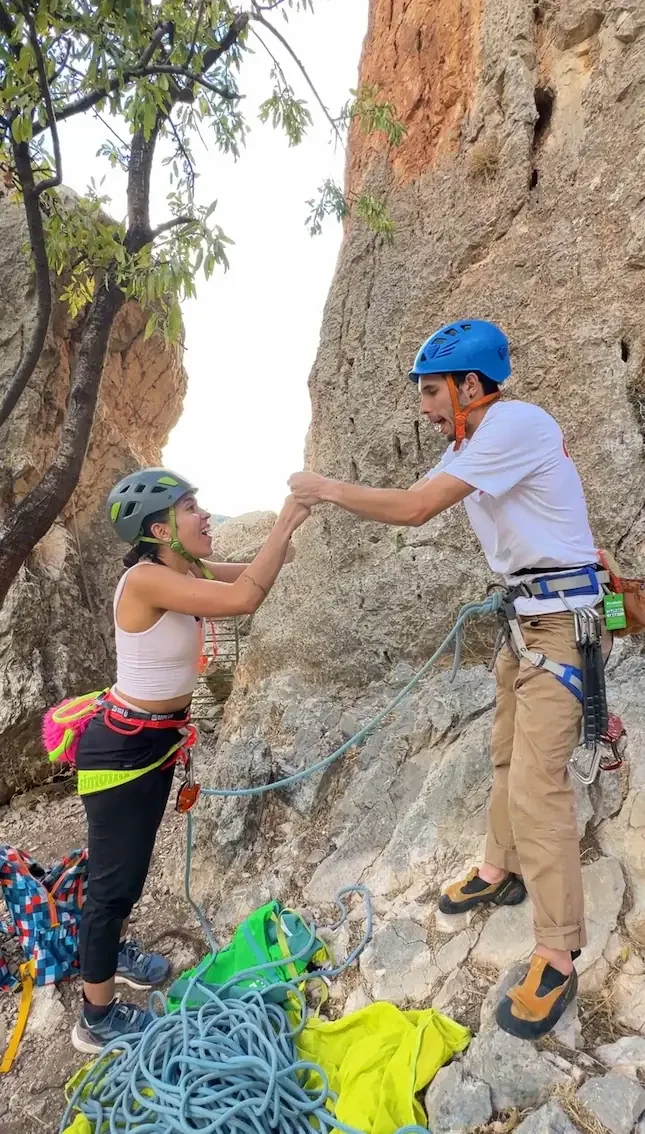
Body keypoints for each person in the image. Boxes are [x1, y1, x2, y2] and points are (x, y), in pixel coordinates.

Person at [289, 318, 611, 1040]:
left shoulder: (512, 423)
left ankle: (557, 951)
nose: (425, 407)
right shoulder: (476, 441)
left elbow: (412, 507)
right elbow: (419, 493)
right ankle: (501, 867)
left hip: (558, 627)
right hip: (527, 621)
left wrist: (324, 487)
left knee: (538, 786)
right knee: (503, 756)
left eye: (433, 391)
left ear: (472, 385)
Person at [72, 468, 309, 1054]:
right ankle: (94, 1019)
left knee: (128, 869)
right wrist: (285, 517)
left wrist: (298, 525)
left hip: (152, 742)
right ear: (159, 528)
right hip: (123, 750)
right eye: (191, 508)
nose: (204, 516)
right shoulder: (147, 579)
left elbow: (255, 579)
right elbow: (242, 599)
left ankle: (109, 952)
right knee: (114, 882)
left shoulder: (185, 569)